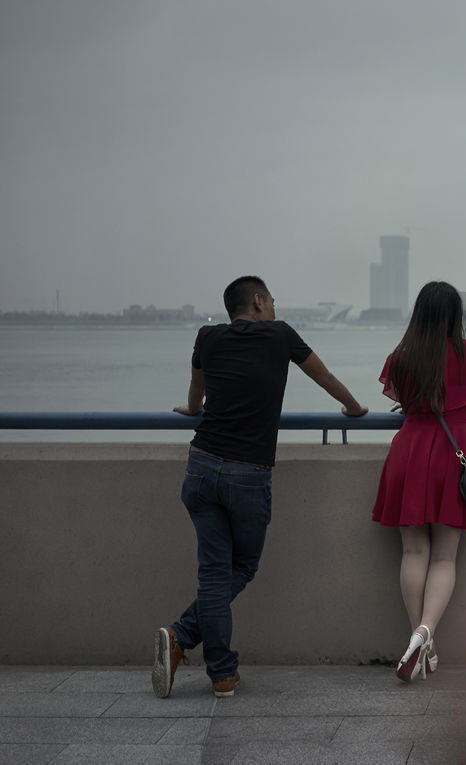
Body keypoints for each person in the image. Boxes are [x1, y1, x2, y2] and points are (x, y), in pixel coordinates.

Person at [153, 276, 367, 699]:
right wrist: (354, 407)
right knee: (241, 568)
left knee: (215, 571)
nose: (272, 307)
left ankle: (218, 671)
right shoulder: (280, 334)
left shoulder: (207, 336)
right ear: (258, 301)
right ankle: (189, 644)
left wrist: (191, 410)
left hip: (201, 465)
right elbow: (323, 376)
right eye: (270, 300)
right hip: (247, 473)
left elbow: (197, 397)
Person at [372, 280, 466, 681]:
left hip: (408, 455)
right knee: (444, 556)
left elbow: (405, 402)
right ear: (455, 316)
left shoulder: (402, 358)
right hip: (451, 459)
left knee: (413, 553)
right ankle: (426, 632)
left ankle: (418, 641)